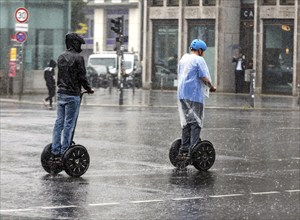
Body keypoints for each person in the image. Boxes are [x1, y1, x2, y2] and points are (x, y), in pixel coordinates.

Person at [50, 32, 94, 161]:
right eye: (79, 43)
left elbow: (62, 76)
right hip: (72, 95)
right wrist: (88, 89)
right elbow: (82, 77)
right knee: (69, 123)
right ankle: (65, 151)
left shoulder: (61, 57)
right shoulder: (78, 58)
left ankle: (55, 150)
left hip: (61, 93)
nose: (80, 46)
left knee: (59, 123)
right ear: (75, 43)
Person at [177, 39, 216, 159]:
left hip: (182, 95)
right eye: (202, 51)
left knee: (187, 122)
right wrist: (211, 87)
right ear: (199, 50)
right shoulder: (199, 59)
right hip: (194, 95)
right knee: (196, 123)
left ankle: (184, 148)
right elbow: (203, 77)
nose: (203, 53)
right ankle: (192, 149)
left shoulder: (183, 59)